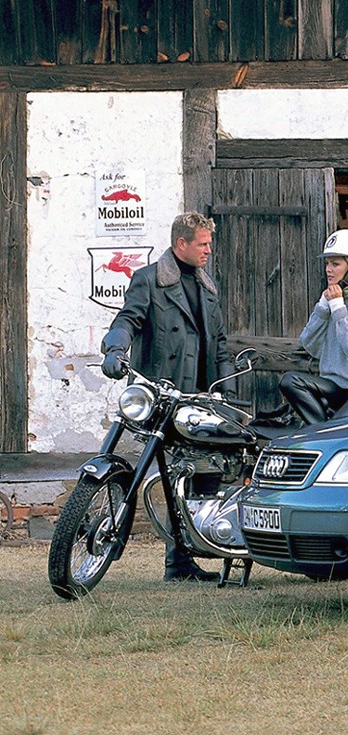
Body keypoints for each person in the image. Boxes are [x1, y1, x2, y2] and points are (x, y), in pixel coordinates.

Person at [100, 211, 233, 583]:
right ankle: (111, 534)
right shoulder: (149, 280)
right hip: (161, 395)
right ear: (181, 244)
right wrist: (114, 350)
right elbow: (127, 320)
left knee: (202, 476)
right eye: (202, 244)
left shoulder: (208, 286)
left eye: (209, 243)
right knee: (142, 467)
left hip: (201, 396)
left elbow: (219, 344)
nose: (208, 250)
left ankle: (183, 560)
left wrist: (226, 390)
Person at [273, 229, 348, 426]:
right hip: (337, 385)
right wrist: (323, 308)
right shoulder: (333, 297)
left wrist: (338, 308)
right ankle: (323, 430)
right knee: (289, 381)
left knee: (337, 429)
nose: (328, 269)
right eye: (327, 264)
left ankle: (325, 432)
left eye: (335, 264)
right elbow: (309, 344)